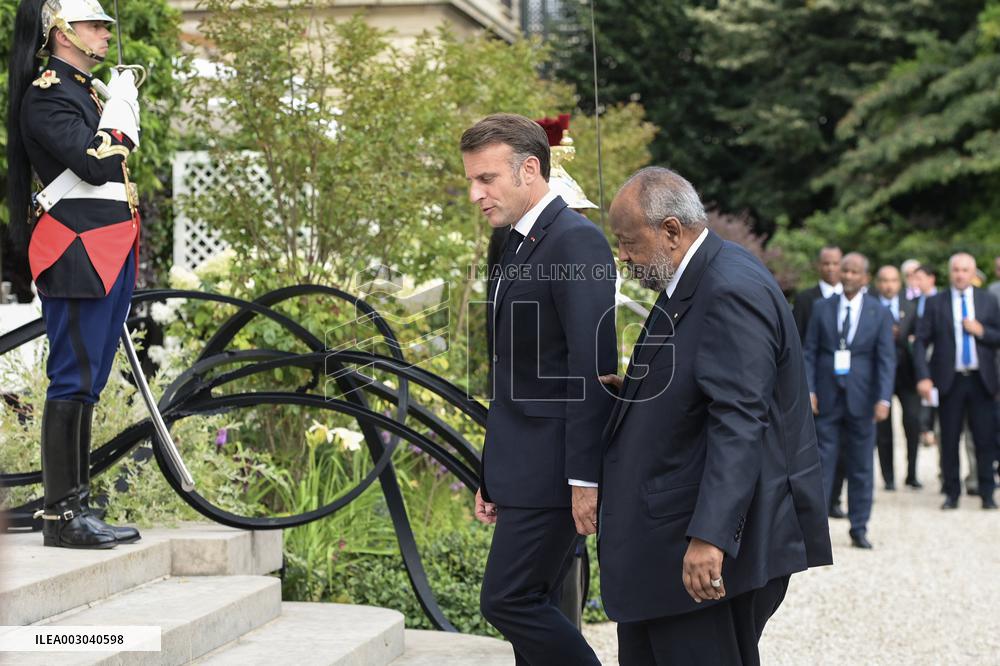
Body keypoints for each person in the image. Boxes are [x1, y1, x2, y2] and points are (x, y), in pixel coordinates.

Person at [598, 167, 832, 665]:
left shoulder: (728, 288)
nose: (623, 257)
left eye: (627, 243)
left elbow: (741, 421)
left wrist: (709, 537)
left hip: (699, 546)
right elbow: (701, 386)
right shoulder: (697, 275)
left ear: (670, 231)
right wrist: (634, 391)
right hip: (667, 538)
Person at [462, 113, 616, 665]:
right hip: (522, 466)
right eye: (472, 182)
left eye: (487, 179)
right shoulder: (513, 243)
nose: (477, 194)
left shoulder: (577, 242)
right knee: (538, 601)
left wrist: (584, 479)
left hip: (556, 469)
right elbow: (510, 372)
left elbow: (592, 367)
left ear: (530, 169)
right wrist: (493, 472)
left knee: (507, 599)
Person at [6, 0, 142, 548]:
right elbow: (96, 163)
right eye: (93, 25)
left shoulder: (84, 90)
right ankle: (63, 517)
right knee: (73, 379)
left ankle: (76, 504)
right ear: (61, 32)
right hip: (77, 250)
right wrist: (123, 110)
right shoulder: (47, 95)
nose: (105, 33)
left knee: (89, 381)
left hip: (107, 247)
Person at [804, 253, 895, 549]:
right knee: (821, 462)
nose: (848, 275)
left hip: (864, 399)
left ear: (865, 277)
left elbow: (886, 359)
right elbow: (810, 351)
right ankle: (814, 530)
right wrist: (810, 389)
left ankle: (859, 527)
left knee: (861, 466)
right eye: (846, 270)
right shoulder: (822, 308)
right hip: (828, 398)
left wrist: (884, 398)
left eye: (855, 271)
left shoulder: (878, 312)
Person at [913, 253, 1000, 510]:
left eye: (965, 270)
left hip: (980, 380)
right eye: (956, 270)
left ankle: (987, 492)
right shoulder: (936, 303)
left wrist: (981, 331)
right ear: (950, 273)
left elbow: (998, 335)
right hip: (949, 381)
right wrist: (924, 377)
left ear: (973, 273)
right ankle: (951, 493)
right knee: (949, 439)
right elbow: (920, 341)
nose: (960, 275)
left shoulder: (987, 301)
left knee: (984, 439)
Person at [874, 265, 923, 489]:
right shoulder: (871, 308)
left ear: (899, 283)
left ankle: (912, 474)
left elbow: (919, 342)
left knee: (912, 423)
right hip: (880, 375)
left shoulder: (911, 308)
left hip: (907, 375)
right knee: (883, 429)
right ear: (878, 283)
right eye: (884, 280)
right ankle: (889, 478)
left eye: (893, 280)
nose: (888, 285)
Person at [792, 245, 843, 339]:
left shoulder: (852, 298)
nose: (831, 268)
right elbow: (797, 336)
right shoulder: (804, 299)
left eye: (835, 263)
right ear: (819, 265)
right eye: (826, 264)